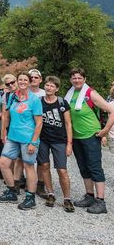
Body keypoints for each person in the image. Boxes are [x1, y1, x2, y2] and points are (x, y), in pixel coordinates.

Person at [65, 68, 114, 214]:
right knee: (83, 167)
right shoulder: (70, 94)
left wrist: (105, 130)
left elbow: (112, 111)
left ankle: (101, 201)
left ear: (84, 79)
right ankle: (89, 196)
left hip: (91, 136)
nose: (77, 80)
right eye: (74, 78)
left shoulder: (90, 93)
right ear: (70, 80)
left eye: (80, 78)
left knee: (94, 167)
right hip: (77, 136)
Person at [0, 72, 43, 210]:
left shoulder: (34, 100)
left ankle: (30, 197)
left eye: (25, 80)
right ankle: (12, 191)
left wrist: (34, 142)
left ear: (29, 82)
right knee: (3, 163)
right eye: (20, 79)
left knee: (28, 166)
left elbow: (39, 123)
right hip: (13, 137)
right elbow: (7, 115)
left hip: (28, 138)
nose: (22, 82)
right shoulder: (13, 97)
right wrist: (4, 132)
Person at [38, 76, 74, 211]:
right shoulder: (39, 101)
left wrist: (69, 143)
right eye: (47, 85)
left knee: (62, 170)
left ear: (57, 89)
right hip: (43, 139)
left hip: (59, 140)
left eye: (52, 86)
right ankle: (51, 193)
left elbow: (68, 124)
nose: (49, 88)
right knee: (45, 166)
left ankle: (67, 198)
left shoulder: (62, 103)